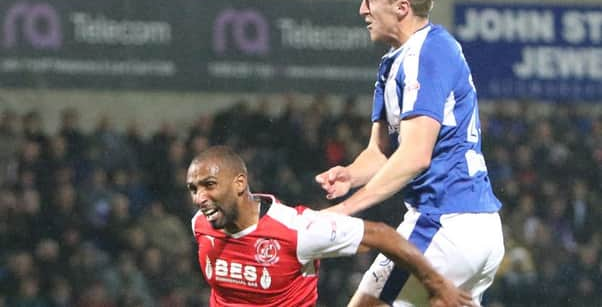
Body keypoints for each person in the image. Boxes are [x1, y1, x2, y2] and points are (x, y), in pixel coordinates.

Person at [314, 0, 505, 307]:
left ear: (402, 7)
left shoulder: (429, 53)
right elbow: (381, 152)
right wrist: (350, 175)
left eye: (370, 0)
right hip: (473, 227)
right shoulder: (396, 61)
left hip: (445, 222)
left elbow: (416, 155)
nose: (362, 10)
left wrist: (345, 212)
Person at [187, 145, 475, 307]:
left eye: (209, 185)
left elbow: (380, 234)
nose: (200, 198)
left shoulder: (298, 229)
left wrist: (436, 284)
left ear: (240, 183)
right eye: (193, 189)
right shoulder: (200, 224)